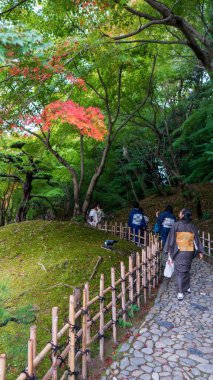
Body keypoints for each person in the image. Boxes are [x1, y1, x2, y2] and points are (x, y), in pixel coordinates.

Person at [164, 208, 204, 301]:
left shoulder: (176, 225)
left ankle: (180, 292)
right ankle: (187, 287)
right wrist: (200, 251)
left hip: (179, 251)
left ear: (182, 215)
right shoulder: (192, 226)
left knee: (180, 272)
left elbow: (171, 240)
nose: (179, 213)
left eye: (180, 212)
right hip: (189, 251)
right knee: (186, 269)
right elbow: (197, 239)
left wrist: (169, 251)